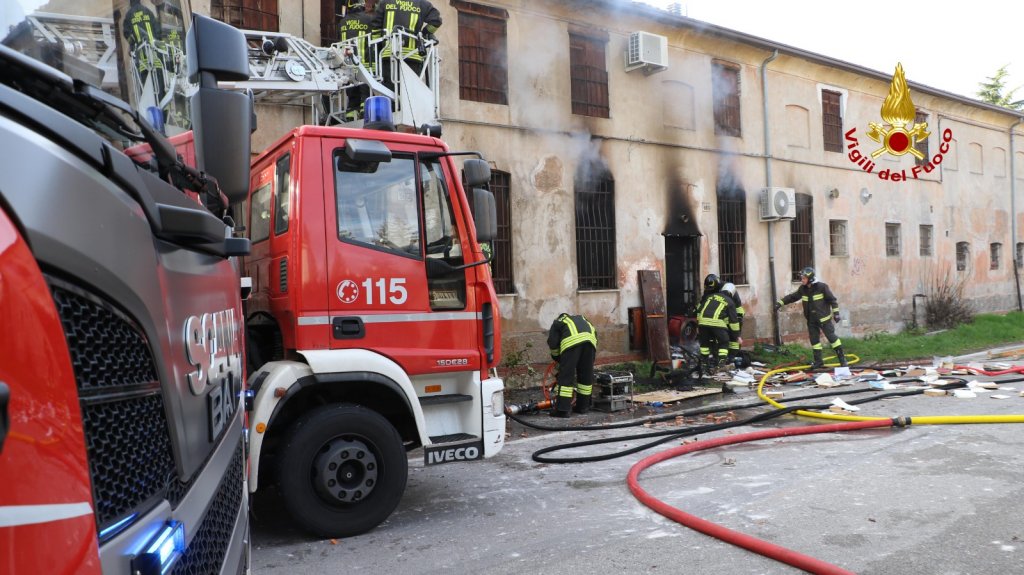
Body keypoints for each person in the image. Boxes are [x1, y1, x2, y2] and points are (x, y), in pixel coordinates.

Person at [775, 266, 848, 368]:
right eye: (802, 278)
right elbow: (792, 297)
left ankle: (843, 361)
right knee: (814, 341)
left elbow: (832, 301)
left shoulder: (822, 287)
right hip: (811, 320)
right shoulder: (803, 289)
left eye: (804, 278)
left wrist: (836, 313)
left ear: (810, 279)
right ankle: (818, 362)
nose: (802, 280)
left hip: (824, 320)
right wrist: (780, 303)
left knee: (832, 339)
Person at [370, 0, 442, 92]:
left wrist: (378, 50)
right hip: (413, 56)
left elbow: (375, 29)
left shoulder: (385, 2)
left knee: (391, 92)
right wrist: (424, 33)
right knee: (410, 93)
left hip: (389, 55)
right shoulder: (422, 3)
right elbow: (436, 21)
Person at [546, 313, 597, 418]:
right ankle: (583, 407)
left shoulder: (558, 322)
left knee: (566, 376)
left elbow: (553, 342)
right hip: (591, 342)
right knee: (586, 375)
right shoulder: (581, 318)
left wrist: (557, 358)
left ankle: (563, 410)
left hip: (572, 343)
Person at [336, 0, 376, 119]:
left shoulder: (342, 22)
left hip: (348, 67)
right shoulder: (369, 19)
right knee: (365, 93)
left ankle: (351, 114)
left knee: (352, 94)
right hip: (364, 65)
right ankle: (365, 111)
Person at [697, 284, 740, 376]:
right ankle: (721, 364)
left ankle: (704, 363)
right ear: (732, 293)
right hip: (716, 323)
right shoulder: (730, 301)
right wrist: (736, 335)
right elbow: (733, 322)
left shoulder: (710, 296)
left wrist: (699, 323)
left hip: (702, 322)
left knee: (704, 344)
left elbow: (699, 310)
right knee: (724, 341)